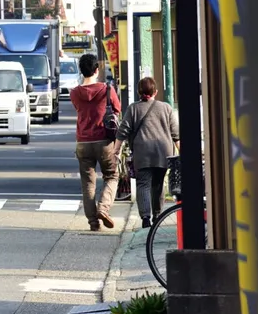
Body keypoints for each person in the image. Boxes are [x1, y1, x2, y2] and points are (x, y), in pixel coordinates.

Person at [69, 52, 122, 231]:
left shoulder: (75, 93)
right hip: (104, 140)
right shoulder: (107, 89)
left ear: (81, 71)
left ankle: (93, 222)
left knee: (88, 183)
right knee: (112, 175)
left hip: (83, 141)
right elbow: (117, 109)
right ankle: (103, 208)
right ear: (97, 70)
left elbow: (79, 108)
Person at [120, 76, 180, 228]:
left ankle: (145, 218)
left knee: (143, 184)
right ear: (156, 92)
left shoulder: (133, 108)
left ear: (139, 92)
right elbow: (175, 134)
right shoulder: (166, 108)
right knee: (158, 184)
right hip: (163, 152)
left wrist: (115, 150)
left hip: (142, 152)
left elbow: (123, 131)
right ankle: (158, 215)